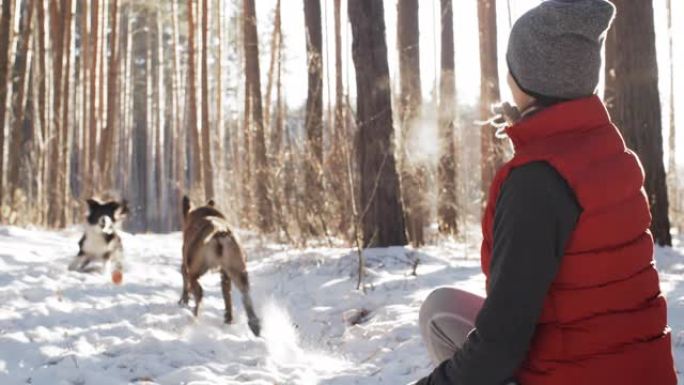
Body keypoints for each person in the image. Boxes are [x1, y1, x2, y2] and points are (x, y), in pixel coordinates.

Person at [415, 1, 678, 384]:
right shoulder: (609, 155)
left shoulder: (535, 184)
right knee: (442, 309)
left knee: (453, 330)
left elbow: (499, 349)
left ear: (526, 76)